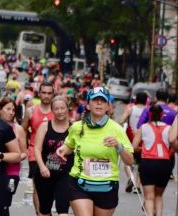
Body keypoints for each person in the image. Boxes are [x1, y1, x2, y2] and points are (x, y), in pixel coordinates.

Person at [55, 86, 134, 216]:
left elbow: (130, 160)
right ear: (88, 105)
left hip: (107, 186)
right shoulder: (77, 127)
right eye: (95, 100)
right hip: (79, 183)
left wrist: (118, 146)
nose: (99, 103)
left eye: (103, 101)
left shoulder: (116, 129)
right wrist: (62, 150)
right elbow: (69, 146)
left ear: (108, 106)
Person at [33, 96, 72, 216]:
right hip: (46, 173)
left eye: (62, 108)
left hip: (66, 174)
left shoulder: (74, 128)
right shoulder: (45, 126)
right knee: (44, 210)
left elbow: (77, 148)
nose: (60, 111)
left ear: (67, 108)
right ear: (52, 110)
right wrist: (42, 167)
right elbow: (37, 148)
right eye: (56, 109)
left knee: (63, 208)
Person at [132, 104, 172, 216]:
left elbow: (134, 146)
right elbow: (173, 143)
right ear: (162, 115)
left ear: (149, 114)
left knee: (149, 197)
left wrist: (142, 149)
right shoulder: (169, 128)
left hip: (148, 163)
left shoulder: (143, 127)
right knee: (158, 195)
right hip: (164, 163)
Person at [21, 81, 54, 215]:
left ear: (53, 94)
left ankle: (45, 210)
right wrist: (24, 149)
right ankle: (40, 213)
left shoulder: (58, 111)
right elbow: (22, 131)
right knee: (38, 186)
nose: (46, 95)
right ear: (39, 94)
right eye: (44, 92)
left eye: (49, 93)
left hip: (54, 155)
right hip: (35, 152)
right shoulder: (31, 111)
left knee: (51, 186)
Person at [0, 98, 27, 205]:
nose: (11, 112)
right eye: (8, 109)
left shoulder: (18, 129)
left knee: (5, 203)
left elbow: (24, 153)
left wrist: (11, 157)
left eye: (13, 110)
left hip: (12, 171)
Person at [118, 92, 147, 193]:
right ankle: (137, 186)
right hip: (143, 140)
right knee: (141, 164)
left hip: (130, 139)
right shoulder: (147, 110)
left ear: (136, 99)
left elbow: (121, 121)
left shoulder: (131, 109)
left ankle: (131, 178)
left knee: (127, 161)